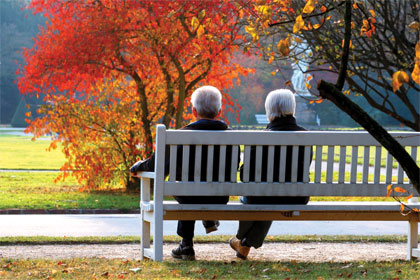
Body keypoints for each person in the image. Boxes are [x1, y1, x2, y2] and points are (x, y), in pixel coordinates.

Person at [131, 85, 237, 261]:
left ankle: (186, 245)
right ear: (219, 110)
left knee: (185, 184)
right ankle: (208, 218)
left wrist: (138, 165)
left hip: (188, 196)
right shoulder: (233, 137)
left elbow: (156, 166)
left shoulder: (178, 136)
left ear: (194, 111)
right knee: (192, 185)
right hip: (219, 196)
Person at [229, 89, 312, 260]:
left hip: (262, 197)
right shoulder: (306, 137)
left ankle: (241, 240)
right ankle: (245, 244)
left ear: (269, 111)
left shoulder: (258, 139)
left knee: (257, 196)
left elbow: (246, 176)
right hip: (295, 197)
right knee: (270, 195)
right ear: (292, 109)